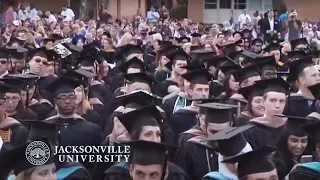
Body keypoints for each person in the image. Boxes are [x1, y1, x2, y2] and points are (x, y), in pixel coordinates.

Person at [175, 102, 237, 180]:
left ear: (231, 125)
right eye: (213, 132)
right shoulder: (191, 148)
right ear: (205, 126)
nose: (218, 137)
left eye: (223, 132)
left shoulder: (240, 147)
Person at [243, 77, 290, 149]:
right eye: (273, 100)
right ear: (264, 102)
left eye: (281, 101)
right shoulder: (249, 130)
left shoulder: (290, 126)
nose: (277, 106)